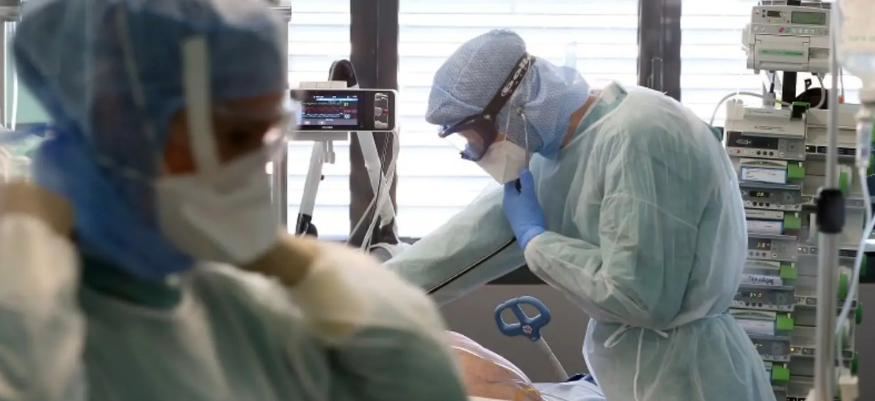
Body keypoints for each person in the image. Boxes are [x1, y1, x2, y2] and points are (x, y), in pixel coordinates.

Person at [0, 0, 468, 400]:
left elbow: (422, 386)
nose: (252, 169)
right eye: (237, 136)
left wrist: (300, 264)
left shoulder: (240, 309)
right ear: (117, 122)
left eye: (269, 138)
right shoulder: (29, 320)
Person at [384, 29, 776, 401]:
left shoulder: (640, 137)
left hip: (689, 378)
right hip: (632, 376)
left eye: (476, 140)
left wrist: (536, 242)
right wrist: (368, 292)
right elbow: (472, 239)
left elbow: (639, 296)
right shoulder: (552, 152)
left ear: (517, 108)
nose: (477, 155)